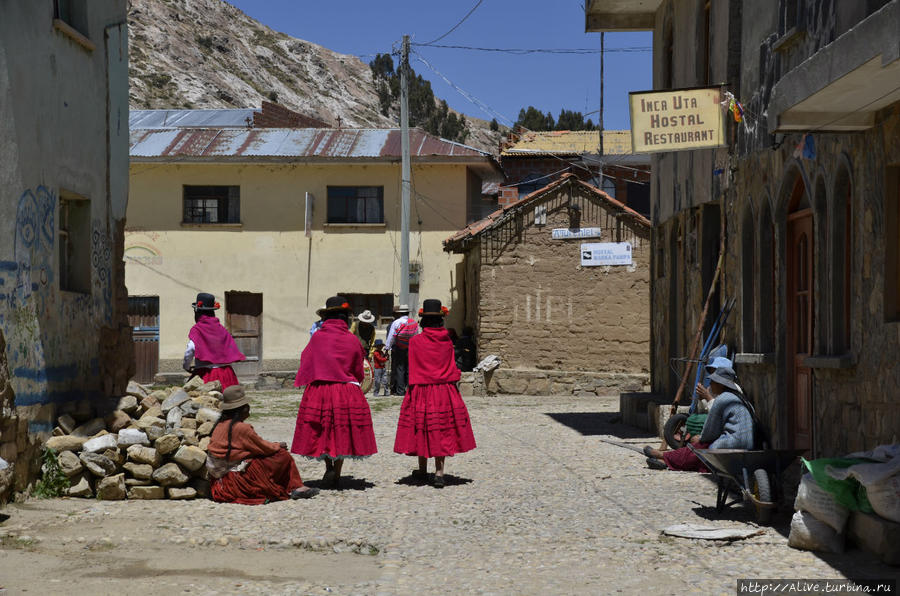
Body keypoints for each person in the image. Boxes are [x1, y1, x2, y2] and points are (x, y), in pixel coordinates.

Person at [291, 296, 378, 488]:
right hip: (346, 392)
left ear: (327, 317)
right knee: (341, 431)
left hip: (320, 390)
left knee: (323, 429)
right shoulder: (352, 340)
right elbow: (358, 369)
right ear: (345, 318)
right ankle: (337, 472)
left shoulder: (317, 338)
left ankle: (328, 466)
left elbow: (306, 361)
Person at [393, 299, 476, 488]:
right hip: (444, 391)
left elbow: (411, 367)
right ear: (440, 320)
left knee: (421, 426)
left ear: (423, 321)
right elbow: (451, 366)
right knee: (441, 429)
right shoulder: (447, 341)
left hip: (421, 390)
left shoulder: (415, 342)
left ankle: (422, 470)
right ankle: (439, 472)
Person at [207, 385, 319, 504]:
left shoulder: (220, 425)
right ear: (243, 409)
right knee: (281, 455)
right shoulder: (241, 428)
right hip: (233, 482)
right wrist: (277, 445)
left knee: (259, 457)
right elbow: (264, 448)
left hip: (218, 483)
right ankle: (295, 487)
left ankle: (293, 487)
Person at [644, 365, 755, 472]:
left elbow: (710, 432)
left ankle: (665, 457)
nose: (710, 384)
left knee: (700, 447)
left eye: (713, 381)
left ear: (721, 384)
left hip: (730, 443)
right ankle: (665, 459)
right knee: (699, 447)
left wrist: (700, 438)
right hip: (748, 445)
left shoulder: (722, 399)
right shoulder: (741, 398)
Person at [183, 292, 245, 390]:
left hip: (206, 374)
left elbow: (191, 348)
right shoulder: (222, 329)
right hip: (226, 373)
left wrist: (186, 366)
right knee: (229, 400)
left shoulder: (197, 329)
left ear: (197, 312)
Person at [385, 304, 417, 396]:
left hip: (399, 348)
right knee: (409, 368)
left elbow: (391, 337)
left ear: (399, 313)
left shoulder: (397, 322)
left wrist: (387, 348)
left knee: (400, 369)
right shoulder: (413, 322)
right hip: (410, 348)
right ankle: (409, 389)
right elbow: (415, 336)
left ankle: (400, 390)